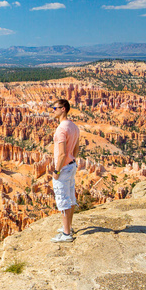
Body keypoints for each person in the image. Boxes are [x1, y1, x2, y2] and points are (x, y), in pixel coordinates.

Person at [50, 99, 80, 243]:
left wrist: (57, 171)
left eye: (55, 108)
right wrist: (71, 159)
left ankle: (66, 234)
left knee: (63, 200)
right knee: (71, 198)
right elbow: (76, 149)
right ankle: (68, 227)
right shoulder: (74, 127)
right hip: (72, 166)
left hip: (63, 168)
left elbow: (61, 154)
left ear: (63, 109)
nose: (53, 110)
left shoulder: (61, 129)